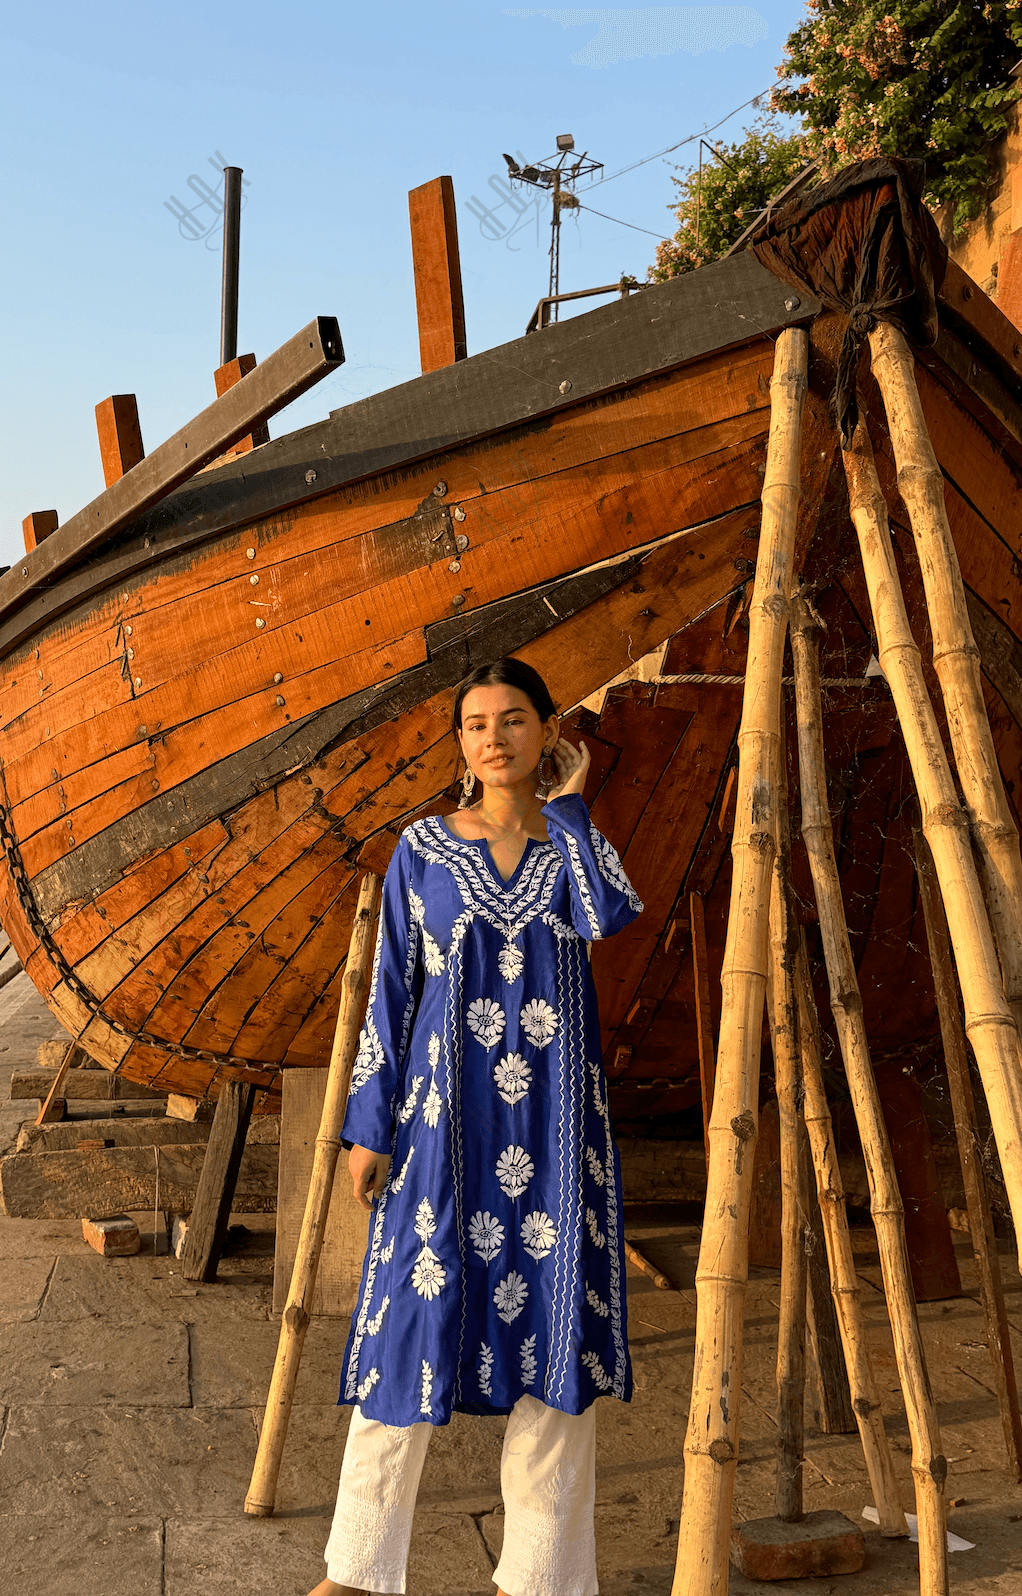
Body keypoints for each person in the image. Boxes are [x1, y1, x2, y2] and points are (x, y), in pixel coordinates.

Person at [309, 657, 643, 1596]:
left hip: (554, 1134)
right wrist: (368, 1124)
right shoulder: (420, 848)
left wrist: (572, 808)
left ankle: (540, 1575)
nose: (494, 738)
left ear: (548, 733)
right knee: (406, 1327)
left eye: (513, 720)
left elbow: (608, 916)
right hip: (440, 1130)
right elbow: (392, 990)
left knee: (555, 1330)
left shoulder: (574, 847)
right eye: (476, 724)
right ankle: (359, 1570)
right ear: (461, 743)